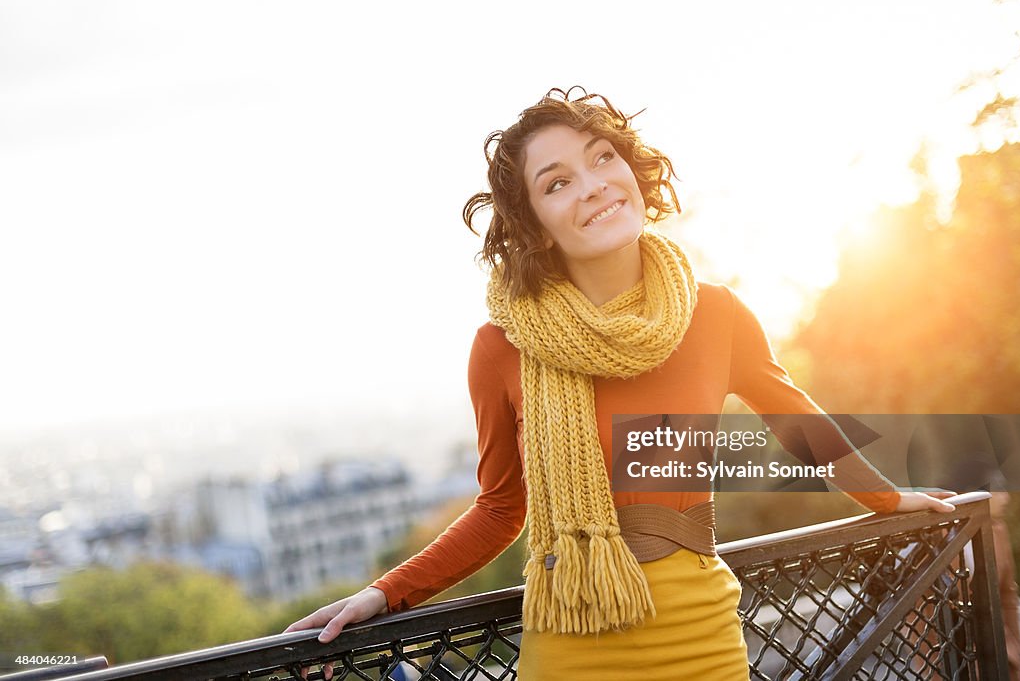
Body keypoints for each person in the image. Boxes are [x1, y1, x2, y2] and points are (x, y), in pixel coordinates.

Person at [285, 88, 957, 680]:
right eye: (557, 183)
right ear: (536, 230)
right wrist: (385, 593)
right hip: (572, 643)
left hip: (701, 636)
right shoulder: (499, 348)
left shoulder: (716, 314)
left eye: (603, 158)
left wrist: (887, 496)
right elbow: (501, 509)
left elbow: (796, 420)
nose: (595, 184)